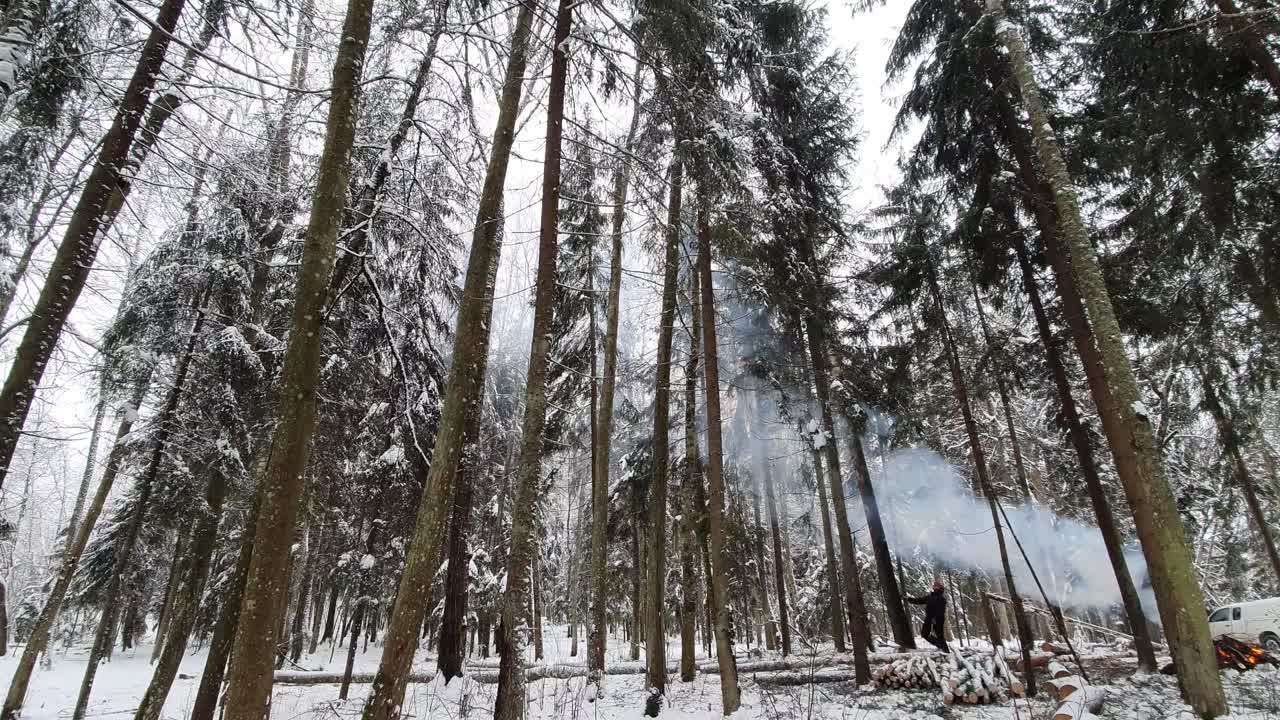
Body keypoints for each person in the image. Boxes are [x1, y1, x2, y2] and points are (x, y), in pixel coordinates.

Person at [908, 580, 950, 652]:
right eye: (934, 586)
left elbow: (940, 611)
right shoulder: (930, 596)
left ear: (941, 588)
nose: (935, 587)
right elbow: (919, 600)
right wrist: (909, 599)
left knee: (940, 636)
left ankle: (946, 650)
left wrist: (935, 618)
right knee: (924, 634)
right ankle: (940, 645)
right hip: (929, 618)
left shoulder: (942, 599)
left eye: (937, 586)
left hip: (938, 619)